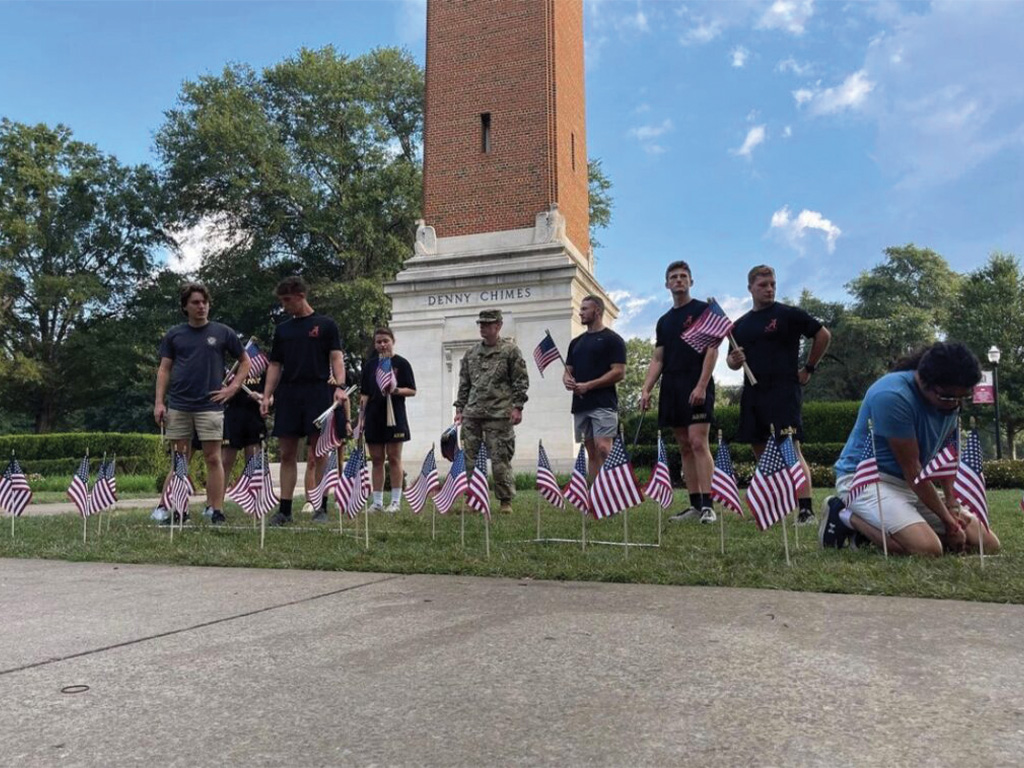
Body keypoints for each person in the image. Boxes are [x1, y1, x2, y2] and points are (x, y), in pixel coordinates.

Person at [822, 343, 1000, 556]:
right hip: (869, 481)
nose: (955, 405)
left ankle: (903, 527)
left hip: (911, 486)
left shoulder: (949, 398)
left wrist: (952, 505)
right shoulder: (892, 396)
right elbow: (912, 469)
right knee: (928, 549)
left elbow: (948, 457)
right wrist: (948, 522)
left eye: (963, 398)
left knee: (987, 544)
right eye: (948, 397)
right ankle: (845, 515)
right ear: (924, 382)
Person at [727, 265, 830, 526]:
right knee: (760, 449)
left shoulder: (788, 315)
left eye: (772, 284)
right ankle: (774, 507)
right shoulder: (739, 326)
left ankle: (805, 510)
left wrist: (808, 368)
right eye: (763, 285)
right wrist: (734, 360)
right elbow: (731, 361)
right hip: (753, 393)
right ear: (750, 288)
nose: (769, 289)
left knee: (790, 449)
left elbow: (823, 334)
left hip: (784, 391)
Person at [154, 283, 249, 525]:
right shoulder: (174, 334)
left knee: (213, 458)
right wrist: (159, 403)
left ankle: (215, 510)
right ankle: (173, 508)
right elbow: (164, 370)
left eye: (204, 302)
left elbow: (245, 361)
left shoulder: (223, 332)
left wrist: (233, 388)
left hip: (210, 406)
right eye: (195, 302)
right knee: (180, 459)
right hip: (179, 404)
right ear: (185, 306)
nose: (201, 306)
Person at [261, 276, 348, 526]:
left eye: (287, 300)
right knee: (287, 453)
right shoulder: (283, 329)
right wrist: (267, 395)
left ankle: (321, 507)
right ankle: (285, 511)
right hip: (289, 393)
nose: (284, 305)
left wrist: (340, 386)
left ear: (301, 295)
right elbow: (275, 364)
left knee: (319, 452)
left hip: (318, 392)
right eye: (281, 301)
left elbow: (337, 359)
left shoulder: (326, 325)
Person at [640, 261, 718, 524]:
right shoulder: (664, 321)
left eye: (683, 276)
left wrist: (701, 385)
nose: (678, 280)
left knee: (698, 442)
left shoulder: (703, 310)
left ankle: (709, 505)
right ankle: (695, 505)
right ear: (666, 284)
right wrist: (646, 388)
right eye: (673, 277)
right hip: (671, 386)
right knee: (684, 446)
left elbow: (712, 349)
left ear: (691, 282)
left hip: (696, 383)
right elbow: (658, 358)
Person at [454, 308, 529, 514]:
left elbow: (520, 381)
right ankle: (475, 500)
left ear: (499, 326)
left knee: (500, 459)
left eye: (488, 324)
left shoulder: (510, 351)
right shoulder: (471, 353)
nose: (483, 328)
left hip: (499, 414)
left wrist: (518, 407)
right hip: (472, 414)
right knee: (470, 460)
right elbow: (464, 384)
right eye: (481, 324)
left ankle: (505, 501)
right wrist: (460, 408)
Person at [564, 296, 626, 479]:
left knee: (604, 448)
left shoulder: (613, 340)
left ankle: (613, 490)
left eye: (584, 309)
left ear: (597, 311)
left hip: (603, 404)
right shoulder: (576, 343)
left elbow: (619, 372)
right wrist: (567, 379)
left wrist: (589, 386)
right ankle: (596, 494)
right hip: (581, 405)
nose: (580, 312)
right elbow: (568, 370)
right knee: (591, 451)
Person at [358, 328, 417, 512]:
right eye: (378, 342)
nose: (382, 345)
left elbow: (412, 390)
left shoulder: (401, 364)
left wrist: (395, 390)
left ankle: (396, 502)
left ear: (393, 341)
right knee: (376, 459)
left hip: (395, 415)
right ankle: (376, 503)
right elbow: (364, 394)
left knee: (393, 458)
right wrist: (360, 419)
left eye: (385, 341)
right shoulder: (369, 366)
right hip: (374, 416)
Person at [221, 360, 267, 498]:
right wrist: (231, 388)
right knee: (225, 462)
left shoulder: (263, 368)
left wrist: (260, 396)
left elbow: (270, 398)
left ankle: (253, 501)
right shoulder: (229, 367)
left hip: (254, 418)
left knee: (253, 462)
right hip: (232, 417)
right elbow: (219, 394)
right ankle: (217, 503)